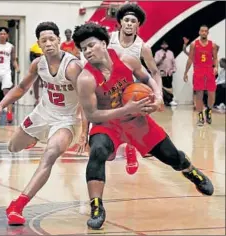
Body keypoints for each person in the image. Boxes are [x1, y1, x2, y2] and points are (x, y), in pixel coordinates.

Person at [72, 22, 214, 230]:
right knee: (98, 151)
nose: (87, 51)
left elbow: (148, 78)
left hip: (137, 120)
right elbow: (93, 114)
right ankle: (96, 206)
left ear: (103, 43)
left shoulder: (126, 60)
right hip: (108, 124)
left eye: (91, 45)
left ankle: (191, 171)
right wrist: (125, 109)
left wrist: (157, 97)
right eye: (83, 49)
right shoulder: (85, 79)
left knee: (171, 156)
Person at [0, 22, 88, 226]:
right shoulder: (38, 64)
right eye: (44, 40)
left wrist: (84, 133)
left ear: (59, 40)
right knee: (13, 147)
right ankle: (32, 139)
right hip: (42, 113)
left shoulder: (72, 67)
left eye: (52, 39)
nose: (49, 43)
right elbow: (21, 87)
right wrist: (0, 105)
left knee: (50, 155)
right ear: (39, 44)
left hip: (66, 120)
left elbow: (87, 100)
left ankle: (17, 205)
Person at [108, 3, 164, 165]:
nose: (129, 23)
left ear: (138, 25)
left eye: (133, 21)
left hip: (128, 90)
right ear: (120, 22)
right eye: (126, 20)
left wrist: (158, 95)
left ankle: (131, 148)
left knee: (133, 123)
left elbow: (154, 72)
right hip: (107, 87)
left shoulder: (143, 47)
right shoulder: (108, 39)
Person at [183, 25, 218, 126]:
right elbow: (190, 59)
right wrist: (185, 72)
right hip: (198, 71)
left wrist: (216, 67)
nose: (203, 33)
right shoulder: (194, 45)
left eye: (205, 31)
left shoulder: (213, 45)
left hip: (209, 71)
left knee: (212, 94)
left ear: (207, 33)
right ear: (199, 32)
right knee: (199, 95)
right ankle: (200, 116)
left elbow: (215, 58)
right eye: (202, 31)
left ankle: (209, 110)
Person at [154, 40, 177, 106]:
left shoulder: (171, 53)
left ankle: (170, 100)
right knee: (161, 88)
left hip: (169, 74)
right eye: (163, 44)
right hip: (161, 74)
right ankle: (162, 101)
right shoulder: (158, 53)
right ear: (161, 45)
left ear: (168, 45)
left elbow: (174, 63)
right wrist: (162, 58)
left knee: (169, 88)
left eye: (166, 44)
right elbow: (155, 63)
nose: (164, 46)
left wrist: (173, 70)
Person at [30, 42, 43, 106]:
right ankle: (37, 100)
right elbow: (31, 58)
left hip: (45, 69)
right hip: (37, 69)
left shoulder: (46, 46)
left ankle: (46, 100)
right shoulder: (34, 47)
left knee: (46, 84)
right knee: (35, 83)